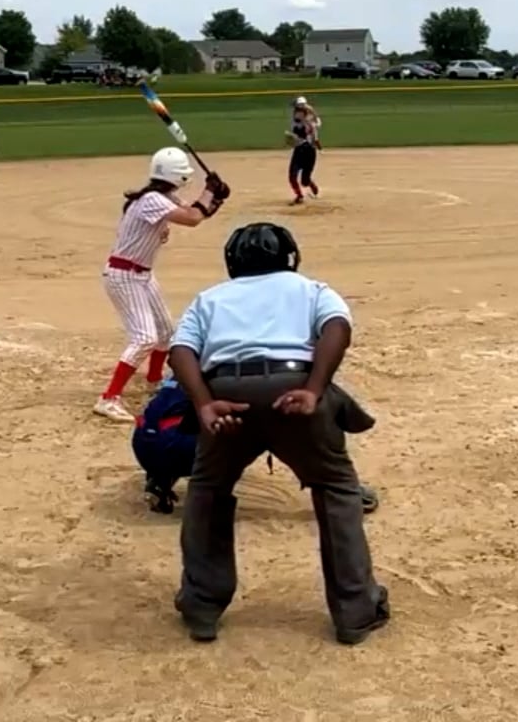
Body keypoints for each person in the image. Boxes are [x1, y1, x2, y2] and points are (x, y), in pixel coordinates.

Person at [168, 221, 390, 646]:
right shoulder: (311, 289)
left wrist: (204, 404)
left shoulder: (209, 298)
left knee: (208, 489)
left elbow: (181, 352)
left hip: (227, 394)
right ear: (290, 257)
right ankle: (356, 612)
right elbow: (337, 329)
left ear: (232, 262)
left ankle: (201, 606)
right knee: (337, 488)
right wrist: (314, 389)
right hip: (294, 390)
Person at [95, 147, 232, 422]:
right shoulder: (152, 200)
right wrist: (209, 191)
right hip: (124, 276)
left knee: (166, 332)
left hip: (142, 275)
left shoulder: (163, 198)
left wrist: (214, 198)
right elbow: (193, 218)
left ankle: (154, 379)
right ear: (179, 176)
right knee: (145, 337)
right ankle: (108, 399)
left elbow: (195, 213)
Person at [133, 373, 382, 516]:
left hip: (143, 445)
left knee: (183, 421)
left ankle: (159, 481)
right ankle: (337, 488)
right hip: (181, 447)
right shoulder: (232, 368)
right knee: (266, 425)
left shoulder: (188, 362)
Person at [287, 101, 322, 203]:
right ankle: (299, 196)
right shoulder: (294, 121)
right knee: (292, 177)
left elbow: (315, 130)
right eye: (295, 110)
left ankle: (311, 184)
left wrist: (310, 110)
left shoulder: (311, 123)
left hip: (309, 152)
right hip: (298, 151)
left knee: (305, 181)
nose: (295, 112)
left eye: (298, 110)